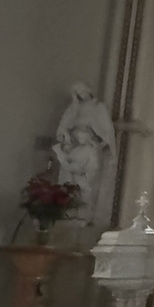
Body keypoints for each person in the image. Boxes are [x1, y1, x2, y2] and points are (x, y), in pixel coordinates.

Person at [52, 83, 116, 223]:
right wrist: (67, 137)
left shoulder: (98, 108)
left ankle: (84, 215)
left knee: (85, 184)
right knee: (68, 180)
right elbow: (64, 127)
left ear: (89, 91)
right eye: (77, 92)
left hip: (90, 150)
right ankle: (68, 212)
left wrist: (99, 143)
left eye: (82, 90)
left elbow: (107, 132)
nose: (81, 94)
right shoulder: (74, 108)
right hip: (74, 149)